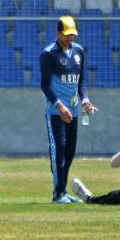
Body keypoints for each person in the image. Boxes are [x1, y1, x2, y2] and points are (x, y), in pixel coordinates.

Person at [40, 15, 98, 203]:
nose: (69, 38)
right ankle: (58, 194)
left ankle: (63, 192)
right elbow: (45, 85)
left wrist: (85, 100)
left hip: (72, 111)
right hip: (56, 112)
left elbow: (80, 81)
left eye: (72, 34)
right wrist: (59, 105)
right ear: (58, 33)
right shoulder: (49, 54)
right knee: (59, 150)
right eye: (66, 34)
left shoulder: (79, 51)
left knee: (70, 151)